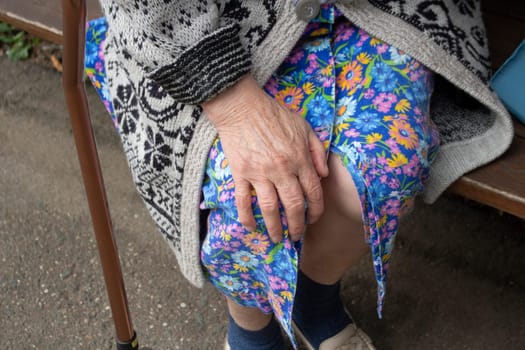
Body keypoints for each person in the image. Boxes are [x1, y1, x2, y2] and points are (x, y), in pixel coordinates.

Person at [87, 0, 513, 349]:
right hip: (198, 26)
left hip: (381, 10)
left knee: (378, 170)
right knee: (249, 193)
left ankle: (312, 301)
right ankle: (251, 328)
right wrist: (232, 102)